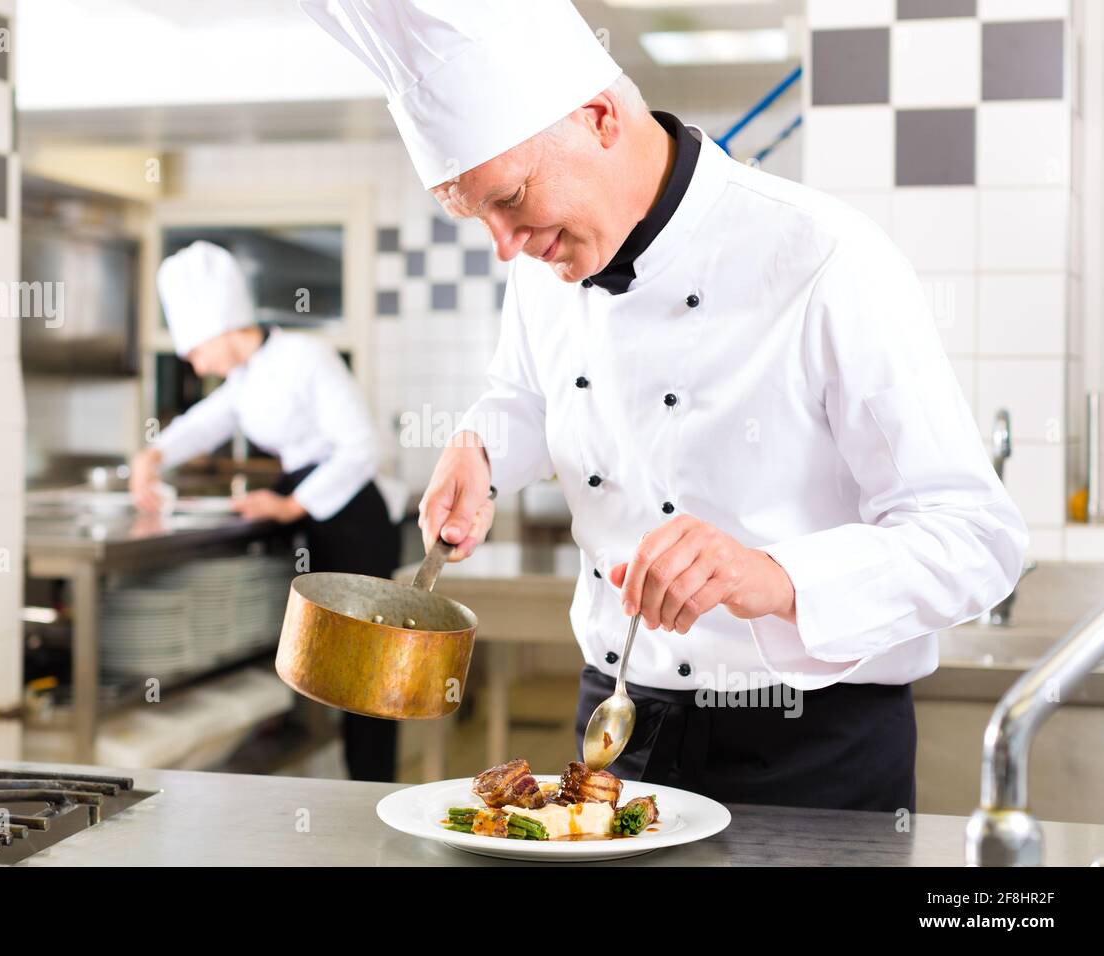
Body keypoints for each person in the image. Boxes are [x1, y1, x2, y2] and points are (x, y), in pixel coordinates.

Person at [304, 0, 1028, 811]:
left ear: (602, 117)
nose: (504, 245)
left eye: (508, 199)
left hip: (808, 749)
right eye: (477, 216)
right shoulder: (542, 262)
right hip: (617, 731)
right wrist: (481, 447)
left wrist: (776, 575)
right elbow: (527, 394)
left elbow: (976, 539)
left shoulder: (828, 259)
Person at [130, 240, 401, 782]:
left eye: (195, 349)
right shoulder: (246, 377)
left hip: (352, 516)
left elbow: (361, 448)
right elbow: (206, 422)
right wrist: (152, 455)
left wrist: (291, 504)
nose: (191, 361)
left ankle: (372, 790)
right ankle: (344, 779)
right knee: (330, 666)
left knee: (364, 671)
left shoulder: (306, 357)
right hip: (312, 513)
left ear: (221, 329)